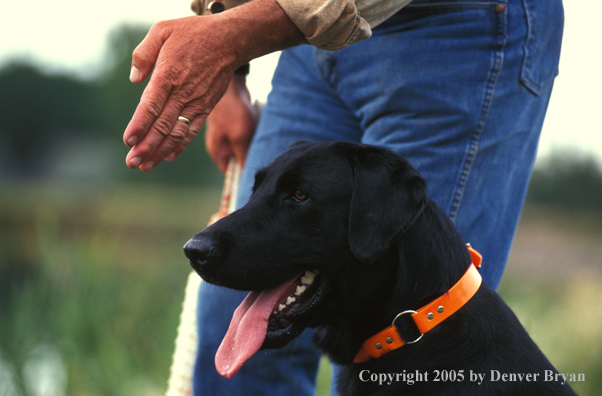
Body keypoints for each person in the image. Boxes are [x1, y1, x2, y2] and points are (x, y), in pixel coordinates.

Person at [123, 0, 564, 394]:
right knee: (228, 317)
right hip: (303, 40)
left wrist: (229, 38)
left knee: (403, 347)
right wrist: (222, 46)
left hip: (455, 30)